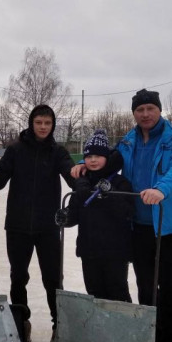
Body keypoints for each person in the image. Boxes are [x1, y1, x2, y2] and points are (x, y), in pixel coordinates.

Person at [71, 88, 172, 342]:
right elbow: (105, 162)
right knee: (146, 286)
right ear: (134, 113)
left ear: (159, 110)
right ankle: (154, 339)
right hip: (137, 226)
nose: (145, 114)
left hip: (168, 225)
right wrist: (83, 167)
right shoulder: (128, 140)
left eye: (150, 108)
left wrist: (161, 190)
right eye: (140, 110)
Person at [0, 104, 75, 342]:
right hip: (18, 225)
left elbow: (71, 174)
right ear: (32, 123)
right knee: (18, 276)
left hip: (48, 226)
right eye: (39, 122)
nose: (43, 127)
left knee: (53, 277)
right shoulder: (16, 150)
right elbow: (2, 173)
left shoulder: (58, 152)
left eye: (48, 123)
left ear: (52, 126)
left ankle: (58, 325)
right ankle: (21, 323)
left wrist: (83, 188)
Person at [55, 129, 134, 303]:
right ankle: (99, 329)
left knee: (117, 292)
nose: (93, 160)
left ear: (107, 157)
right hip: (89, 250)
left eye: (98, 156)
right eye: (89, 156)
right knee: (95, 293)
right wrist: (66, 217)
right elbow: (75, 212)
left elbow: (127, 212)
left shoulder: (120, 182)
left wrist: (110, 194)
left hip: (115, 252)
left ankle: (124, 328)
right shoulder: (83, 183)